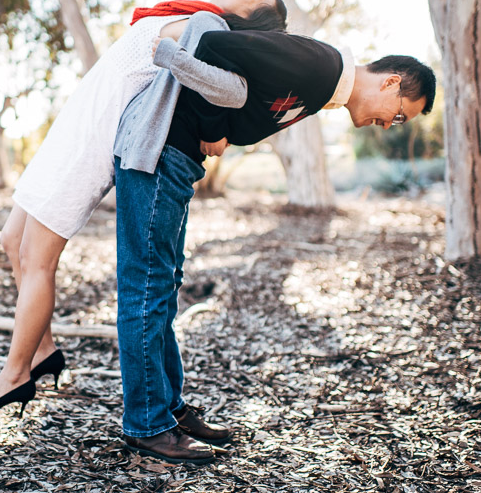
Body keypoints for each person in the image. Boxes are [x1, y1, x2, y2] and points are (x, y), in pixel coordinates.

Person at [0, 0, 288, 416]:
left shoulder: (207, 25)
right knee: (11, 239)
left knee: (38, 259)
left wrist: (215, 131)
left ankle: (16, 375)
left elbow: (220, 82)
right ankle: (44, 352)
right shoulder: (193, 12)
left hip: (91, 141)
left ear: (248, 18)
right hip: (74, 123)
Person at [113, 30, 437, 464]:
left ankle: (167, 411)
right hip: (159, 152)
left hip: (176, 160)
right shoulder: (321, 67)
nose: (388, 125)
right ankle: (147, 425)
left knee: (163, 288)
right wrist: (211, 127)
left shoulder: (325, 87)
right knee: (147, 290)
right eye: (399, 115)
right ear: (391, 83)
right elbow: (212, 45)